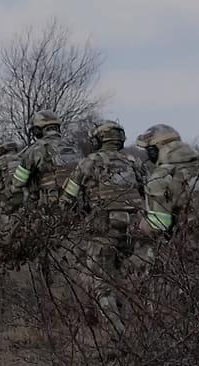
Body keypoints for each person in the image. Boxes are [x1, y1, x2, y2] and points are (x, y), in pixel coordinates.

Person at [60, 121, 145, 334]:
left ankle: (117, 333)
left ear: (99, 140)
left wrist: (75, 217)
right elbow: (146, 193)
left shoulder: (88, 162)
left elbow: (67, 198)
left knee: (100, 282)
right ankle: (130, 326)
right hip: (132, 230)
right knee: (120, 277)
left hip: (102, 230)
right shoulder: (134, 162)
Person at [12, 110, 82, 208]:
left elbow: (17, 182)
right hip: (76, 206)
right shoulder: (74, 148)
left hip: (49, 208)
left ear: (37, 131)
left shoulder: (35, 150)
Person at [0, 141, 24, 224]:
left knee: (6, 215)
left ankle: (9, 229)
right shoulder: (24, 158)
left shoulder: (1, 160)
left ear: (5, 149)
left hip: (8, 194)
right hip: (25, 194)